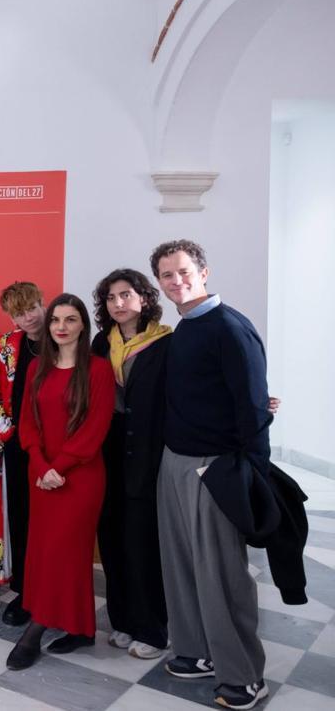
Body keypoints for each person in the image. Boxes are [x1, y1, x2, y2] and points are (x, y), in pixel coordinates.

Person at [153, 239, 270, 710]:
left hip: (215, 467)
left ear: (203, 271)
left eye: (183, 271)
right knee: (180, 567)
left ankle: (244, 676)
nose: (175, 281)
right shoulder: (181, 329)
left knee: (221, 575)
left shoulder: (229, 327)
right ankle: (196, 652)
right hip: (174, 461)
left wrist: (251, 476)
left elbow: (253, 408)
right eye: (166, 275)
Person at [6, 293, 114, 670]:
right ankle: (81, 628)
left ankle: (36, 630)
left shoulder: (98, 370)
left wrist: (60, 467)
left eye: (70, 319)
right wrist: (40, 464)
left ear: (83, 324)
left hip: (80, 479)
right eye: (56, 320)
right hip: (43, 476)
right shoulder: (37, 368)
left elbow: (95, 428)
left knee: (66, 554)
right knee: (42, 551)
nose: (62, 327)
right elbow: (28, 423)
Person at [90, 269, 172, 660]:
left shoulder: (165, 342)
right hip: (107, 456)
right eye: (110, 297)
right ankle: (122, 621)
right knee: (113, 541)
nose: (119, 303)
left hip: (149, 456)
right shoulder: (100, 344)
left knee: (144, 545)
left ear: (144, 297)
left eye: (126, 294)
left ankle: (153, 630)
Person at [0, 281, 46, 626]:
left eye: (32, 307)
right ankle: (24, 591)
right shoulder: (5, 345)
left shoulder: (64, 338)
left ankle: (51, 591)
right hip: (17, 448)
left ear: (43, 303)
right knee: (20, 519)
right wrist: (7, 430)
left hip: (56, 451)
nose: (28, 317)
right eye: (19, 313)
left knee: (50, 523)